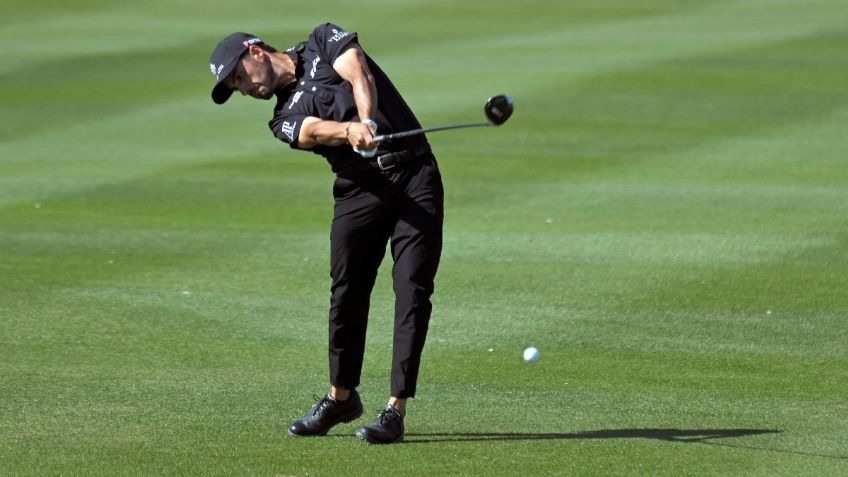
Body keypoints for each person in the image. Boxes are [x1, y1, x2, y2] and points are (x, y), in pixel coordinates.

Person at [208, 23, 444, 445]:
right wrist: (350, 131)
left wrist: (366, 119)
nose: (244, 89)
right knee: (346, 292)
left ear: (256, 52)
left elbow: (358, 73)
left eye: (239, 77)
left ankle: (395, 409)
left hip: (415, 176)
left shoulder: (321, 40)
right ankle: (342, 397)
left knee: (412, 289)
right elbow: (312, 130)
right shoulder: (281, 117)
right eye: (235, 87)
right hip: (359, 191)